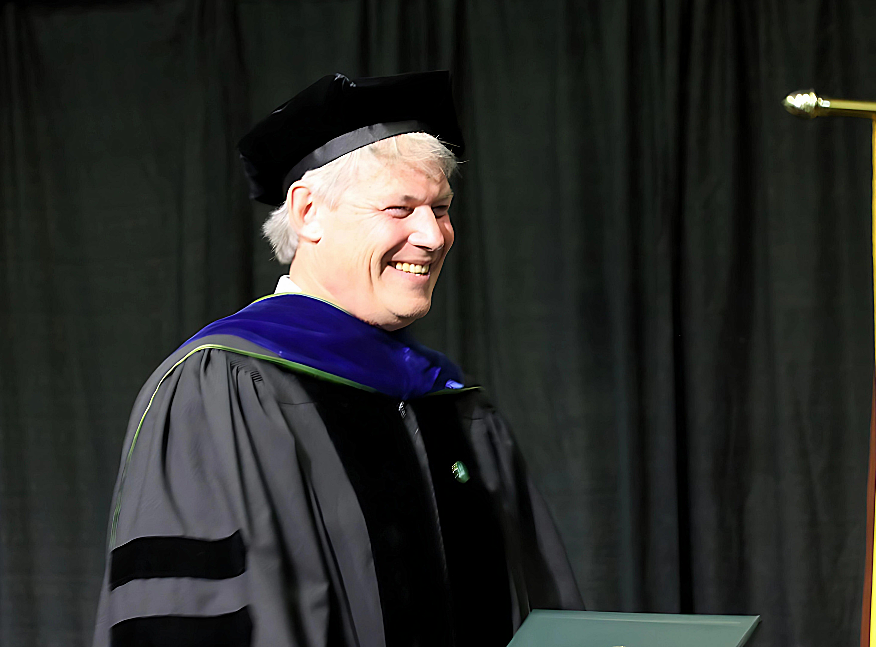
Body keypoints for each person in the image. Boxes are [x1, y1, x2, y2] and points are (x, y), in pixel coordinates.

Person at [92, 71, 582, 647]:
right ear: (307, 213)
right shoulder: (222, 388)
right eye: (400, 208)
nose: (433, 235)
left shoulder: (450, 405)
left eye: (441, 208)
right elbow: (186, 620)